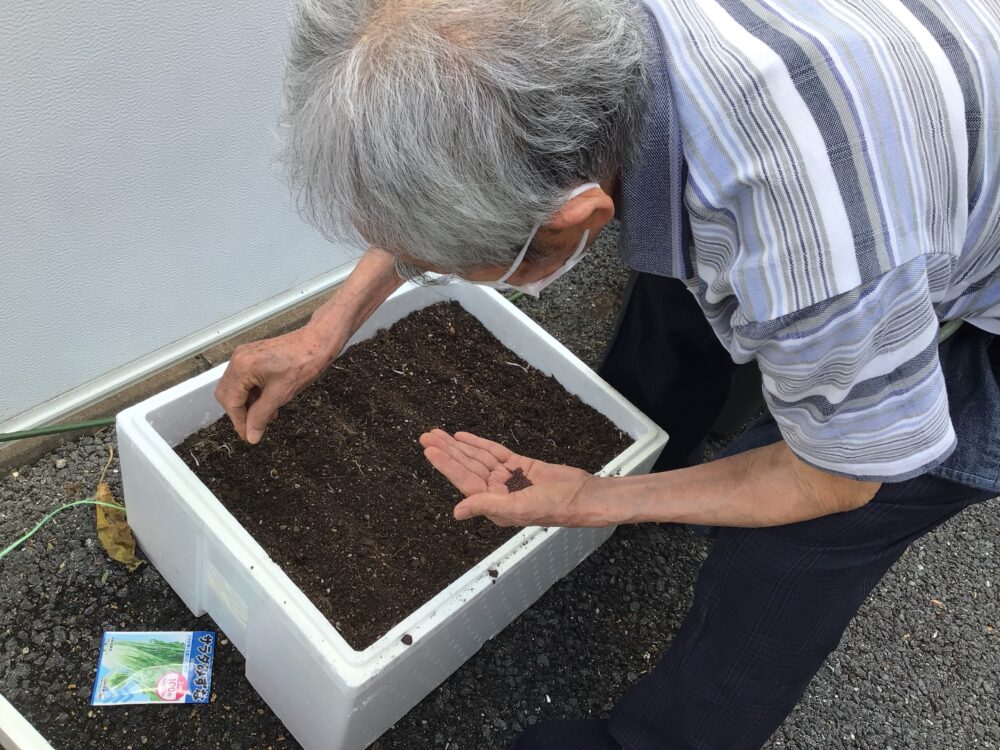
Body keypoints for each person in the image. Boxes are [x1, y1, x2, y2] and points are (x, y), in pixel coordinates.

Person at [214, 0, 1000, 747]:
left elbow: (842, 477)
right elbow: (446, 156)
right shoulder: (559, 36)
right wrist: (329, 328)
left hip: (912, 224)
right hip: (927, 102)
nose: (418, 269)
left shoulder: (811, 255)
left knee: (802, 547)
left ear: (576, 218)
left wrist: (596, 499)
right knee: (679, 296)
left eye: (434, 266)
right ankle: (658, 441)